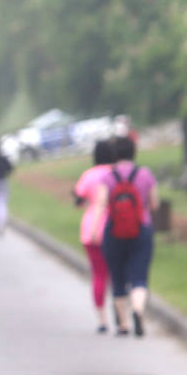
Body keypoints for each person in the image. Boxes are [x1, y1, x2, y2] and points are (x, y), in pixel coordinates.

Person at [89, 135, 159, 336]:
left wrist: (95, 230)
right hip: (141, 229)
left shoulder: (108, 177)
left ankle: (123, 324)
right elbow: (154, 204)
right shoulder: (145, 174)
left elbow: (101, 204)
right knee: (139, 277)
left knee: (118, 279)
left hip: (115, 231)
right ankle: (138, 310)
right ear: (133, 152)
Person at [72, 138, 117, 332]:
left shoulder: (88, 175)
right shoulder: (116, 174)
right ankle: (121, 316)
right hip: (115, 228)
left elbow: (78, 200)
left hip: (91, 229)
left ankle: (102, 320)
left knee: (99, 275)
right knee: (117, 276)